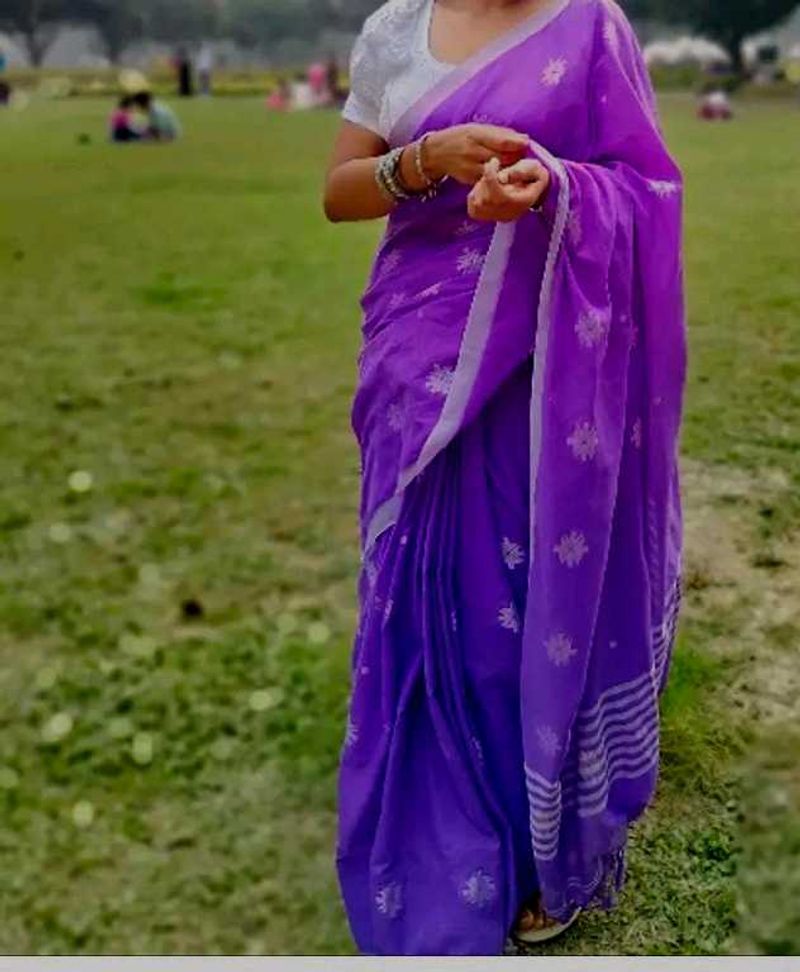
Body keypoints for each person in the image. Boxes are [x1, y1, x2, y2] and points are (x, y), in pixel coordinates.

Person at [324, 0, 686, 957]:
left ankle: (538, 847)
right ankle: (436, 808)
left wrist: (553, 187)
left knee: (522, 602)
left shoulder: (592, 25)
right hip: (416, 353)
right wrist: (425, 161)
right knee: (420, 589)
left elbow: (644, 186)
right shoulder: (394, 31)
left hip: (545, 362)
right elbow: (339, 191)